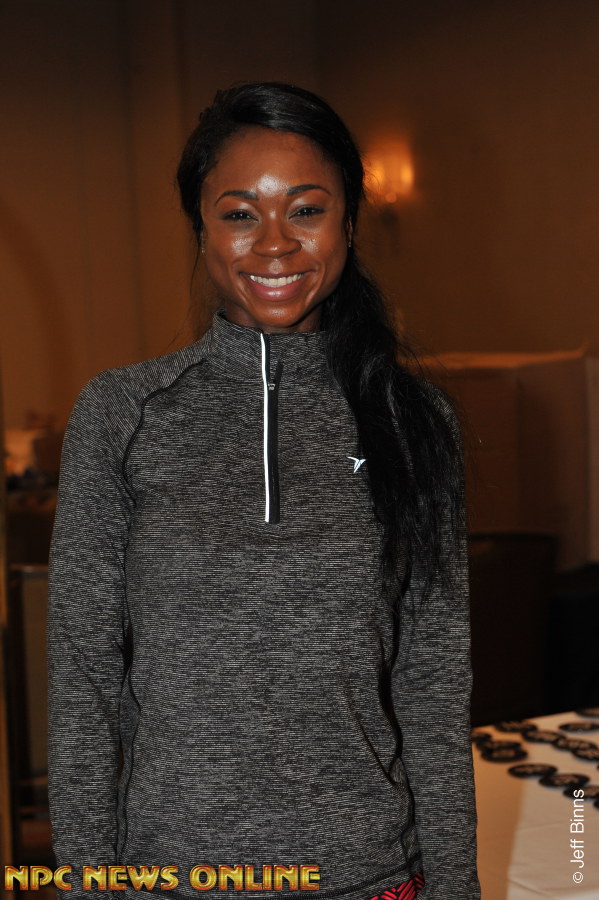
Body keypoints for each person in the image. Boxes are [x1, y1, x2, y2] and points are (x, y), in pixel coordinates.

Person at [47, 82, 480, 900]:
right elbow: (83, 679)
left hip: (370, 876)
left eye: (306, 210)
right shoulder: (121, 413)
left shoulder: (412, 421)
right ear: (201, 231)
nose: (275, 243)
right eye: (240, 213)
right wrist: (86, 884)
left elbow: (431, 682)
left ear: (348, 223)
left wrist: (454, 886)